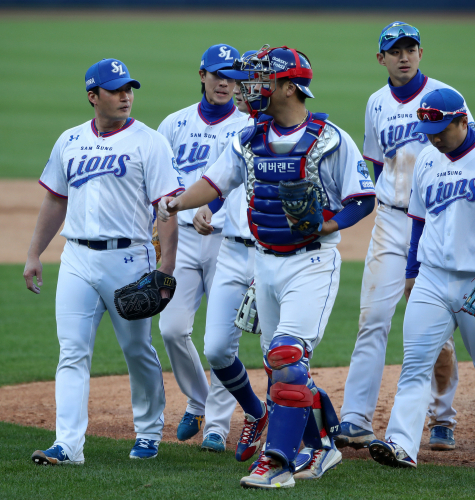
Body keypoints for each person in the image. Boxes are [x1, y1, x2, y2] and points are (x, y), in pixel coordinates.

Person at [158, 45, 376, 489]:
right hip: (263, 263)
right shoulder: (248, 137)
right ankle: (323, 445)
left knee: (287, 357)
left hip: (312, 262)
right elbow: (214, 182)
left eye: (262, 80)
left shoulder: (330, 138)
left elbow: (362, 198)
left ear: (289, 86)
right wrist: (178, 202)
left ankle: (276, 461)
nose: (249, 87)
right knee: (280, 370)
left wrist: (327, 222)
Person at [24, 58, 182, 465]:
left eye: (129, 88)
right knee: (72, 351)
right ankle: (68, 445)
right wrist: (33, 253)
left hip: (130, 257)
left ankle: (148, 432)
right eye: (115, 89)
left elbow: (166, 207)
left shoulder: (149, 142)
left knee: (136, 348)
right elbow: (55, 199)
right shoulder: (70, 140)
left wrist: (166, 268)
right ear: (93, 97)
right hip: (76, 257)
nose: (126, 95)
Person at [368, 87, 475, 470]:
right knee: (414, 363)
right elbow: (419, 222)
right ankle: (401, 443)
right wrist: (411, 272)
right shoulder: (428, 158)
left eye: (442, 129)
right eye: (429, 131)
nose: (435, 138)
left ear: (463, 120)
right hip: (431, 278)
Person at [336, 21, 475, 452]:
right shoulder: (376, 103)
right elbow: (378, 165)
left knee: (433, 331)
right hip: (392, 222)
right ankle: (356, 419)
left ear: (421, 53)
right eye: (394, 50)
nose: (404, 56)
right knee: (372, 320)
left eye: (410, 48)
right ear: (381, 58)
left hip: (436, 224)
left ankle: (443, 416)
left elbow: (470, 156)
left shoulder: (446, 98)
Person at [156, 44, 247, 451]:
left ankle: (217, 425)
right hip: (182, 239)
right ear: (202, 75)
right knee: (171, 329)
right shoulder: (174, 124)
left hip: (228, 242)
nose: (225, 82)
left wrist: (213, 209)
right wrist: (160, 228)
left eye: (232, 76)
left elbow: (243, 183)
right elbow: (159, 180)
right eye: (218, 74)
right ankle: (198, 399)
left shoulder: (248, 126)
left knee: (222, 341)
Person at [191, 50, 270, 461]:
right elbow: (221, 182)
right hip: (232, 252)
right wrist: (198, 206)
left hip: (275, 255)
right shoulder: (242, 136)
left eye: (246, 81)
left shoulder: (292, 133)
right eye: (237, 80)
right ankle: (257, 412)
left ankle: (291, 436)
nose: (237, 87)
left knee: (280, 351)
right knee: (218, 348)